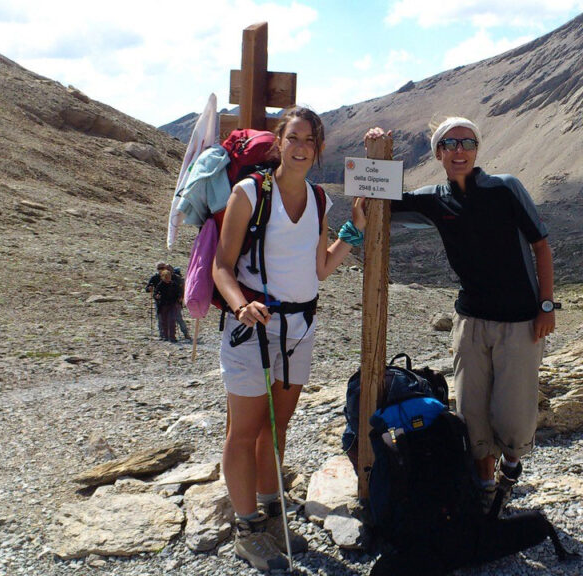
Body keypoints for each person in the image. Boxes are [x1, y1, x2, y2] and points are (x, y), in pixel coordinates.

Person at [364, 117, 556, 514]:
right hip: (470, 321)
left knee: (515, 415)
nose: (459, 150)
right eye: (449, 144)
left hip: (520, 321)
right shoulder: (435, 198)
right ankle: (485, 488)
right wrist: (375, 155)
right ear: (438, 154)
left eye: (467, 142)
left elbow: (541, 246)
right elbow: (374, 204)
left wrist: (547, 305)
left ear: (477, 149)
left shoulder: (505, 188)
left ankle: (511, 469)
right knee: (471, 412)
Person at [214, 106, 366, 571]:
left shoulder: (319, 199)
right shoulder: (249, 193)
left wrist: (354, 231)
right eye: (294, 138)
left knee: (274, 433)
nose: (301, 148)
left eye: (310, 142)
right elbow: (223, 265)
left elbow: (318, 268)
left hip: (300, 329)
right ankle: (247, 529)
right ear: (279, 141)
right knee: (243, 432)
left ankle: (272, 515)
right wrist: (241, 305)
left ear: (318, 150)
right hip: (252, 329)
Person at [152, 268, 181, 342]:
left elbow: (179, 292)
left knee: (172, 320)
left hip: (172, 304)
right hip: (163, 304)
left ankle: (172, 337)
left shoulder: (174, 284)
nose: (168, 278)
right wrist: (156, 296)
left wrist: (179, 297)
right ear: (163, 277)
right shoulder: (160, 284)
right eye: (166, 277)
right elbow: (155, 293)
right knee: (164, 321)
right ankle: (165, 336)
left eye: (169, 276)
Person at [170, 267, 191, 341]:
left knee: (178, 318)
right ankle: (184, 334)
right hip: (174, 302)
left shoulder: (177, 279)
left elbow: (182, 290)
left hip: (176, 302)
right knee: (178, 318)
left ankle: (183, 334)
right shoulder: (179, 279)